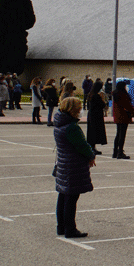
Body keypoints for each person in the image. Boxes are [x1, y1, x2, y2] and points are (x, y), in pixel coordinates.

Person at [52, 96, 95, 238]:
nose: (80, 111)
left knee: (63, 195)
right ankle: (70, 228)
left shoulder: (60, 124)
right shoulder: (72, 128)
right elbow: (82, 145)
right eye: (78, 108)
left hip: (64, 163)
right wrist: (91, 155)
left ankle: (61, 226)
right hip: (73, 165)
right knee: (71, 198)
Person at [110, 81, 134, 159]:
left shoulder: (115, 94)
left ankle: (115, 152)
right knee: (122, 135)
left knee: (118, 134)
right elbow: (127, 105)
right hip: (124, 116)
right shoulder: (123, 95)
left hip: (118, 116)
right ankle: (120, 152)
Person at [86, 86, 108, 156]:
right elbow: (102, 105)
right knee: (94, 132)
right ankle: (92, 148)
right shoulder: (96, 96)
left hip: (91, 115)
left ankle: (92, 147)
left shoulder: (90, 95)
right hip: (96, 116)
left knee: (91, 132)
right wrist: (102, 99)